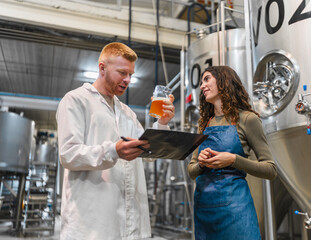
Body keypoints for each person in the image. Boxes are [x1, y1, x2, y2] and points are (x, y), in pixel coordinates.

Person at [56, 42, 175, 240]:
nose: (127, 80)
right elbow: (68, 154)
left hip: (127, 223)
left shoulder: (126, 113)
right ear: (102, 68)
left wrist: (162, 123)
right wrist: (113, 151)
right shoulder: (76, 100)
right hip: (90, 224)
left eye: (131, 74)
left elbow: (149, 153)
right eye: (122, 72)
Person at [187, 66, 277, 240]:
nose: (202, 86)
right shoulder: (204, 124)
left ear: (223, 82)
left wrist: (234, 160)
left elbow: (271, 169)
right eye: (201, 82)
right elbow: (191, 171)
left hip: (236, 208)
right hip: (204, 208)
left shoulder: (248, 119)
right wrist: (201, 163)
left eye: (207, 79)